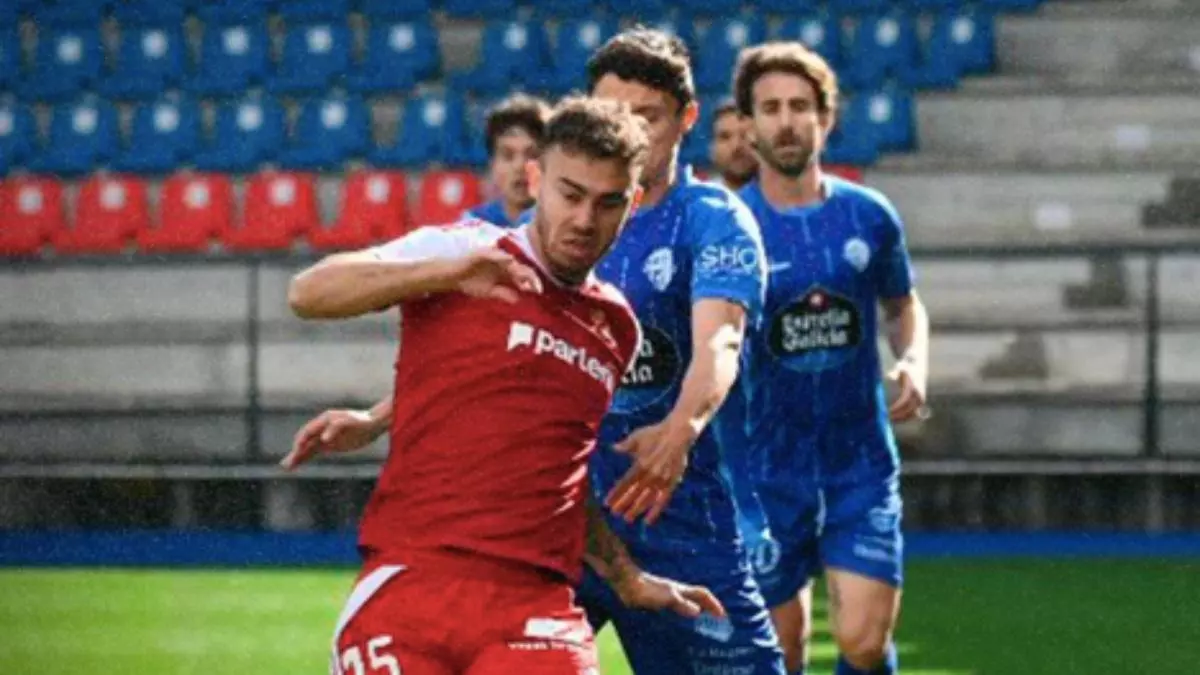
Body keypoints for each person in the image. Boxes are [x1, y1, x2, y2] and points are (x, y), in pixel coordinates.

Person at [285, 96, 725, 675]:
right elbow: (308, 293)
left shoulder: (617, 327)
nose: (584, 220)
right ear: (537, 181)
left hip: (536, 608)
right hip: (413, 581)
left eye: (608, 202)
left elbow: (561, 473)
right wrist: (446, 274)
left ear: (632, 203)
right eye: (570, 194)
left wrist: (625, 578)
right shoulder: (465, 249)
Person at [571, 29, 786, 674]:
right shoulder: (563, 226)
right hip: (567, 523)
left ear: (687, 118)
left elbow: (720, 338)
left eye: (648, 117)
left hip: (682, 522)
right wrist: (383, 415)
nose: (628, 133)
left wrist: (679, 430)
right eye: (613, 115)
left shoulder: (712, 219)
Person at [723, 42, 931, 675]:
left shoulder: (869, 215)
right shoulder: (730, 228)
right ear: (748, 126)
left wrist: (913, 361)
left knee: (863, 642)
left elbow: (903, 305)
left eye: (799, 106)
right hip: (765, 474)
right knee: (780, 657)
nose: (786, 121)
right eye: (770, 109)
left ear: (826, 118)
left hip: (858, 464)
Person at [467, 94, 551, 227]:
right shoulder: (472, 226)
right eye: (507, 155)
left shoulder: (565, 226)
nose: (519, 166)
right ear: (492, 163)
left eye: (532, 155)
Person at [709, 98, 757, 191]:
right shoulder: (701, 198)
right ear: (712, 148)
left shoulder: (784, 197)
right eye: (725, 137)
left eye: (744, 135)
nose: (736, 146)